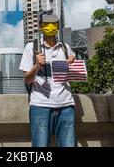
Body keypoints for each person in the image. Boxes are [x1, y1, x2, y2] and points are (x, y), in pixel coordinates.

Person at [19, 10, 77, 147]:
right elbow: (27, 80)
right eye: (47, 24)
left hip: (66, 106)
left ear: (58, 25)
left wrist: (73, 65)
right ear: (40, 27)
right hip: (40, 106)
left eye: (54, 23)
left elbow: (70, 77)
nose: (50, 27)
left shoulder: (65, 48)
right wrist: (37, 66)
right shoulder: (31, 48)